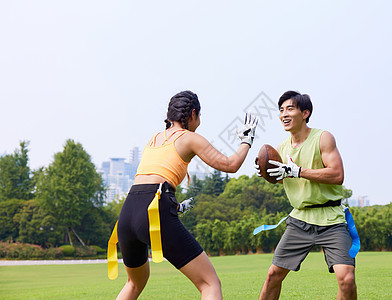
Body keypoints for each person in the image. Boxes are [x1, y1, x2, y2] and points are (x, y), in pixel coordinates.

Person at [115, 91, 258, 300]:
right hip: (153, 210)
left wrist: (174, 206)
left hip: (128, 212)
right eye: (199, 117)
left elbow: (150, 184)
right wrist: (247, 140)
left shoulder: (153, 139)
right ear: (193, 114)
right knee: (210, 283)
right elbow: (230, 165)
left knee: (134, 283)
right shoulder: (189, 138)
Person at [256, 91, 357, 300]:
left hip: (331, 219)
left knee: (346, 279)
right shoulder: (282, 148)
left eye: (290, 109)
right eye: (281, 110)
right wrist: (268, 173)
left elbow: (337, 175)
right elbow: (283, 178)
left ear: (305, 113)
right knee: (273, 275)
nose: (284, 114)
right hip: (299, 220)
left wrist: (298, 171)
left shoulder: (323, 138)